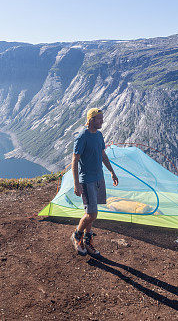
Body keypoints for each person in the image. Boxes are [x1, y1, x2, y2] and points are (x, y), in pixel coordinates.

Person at [70, 107, 118, 256]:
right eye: (99, 119)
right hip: (87, 180)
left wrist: (111, 172)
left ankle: (87, 240)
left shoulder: (99, 135)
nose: (102, 121)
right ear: (91, 120)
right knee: (92, 214)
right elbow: (74, 160)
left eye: (102, 118)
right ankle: (77, 235)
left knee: (91, 212)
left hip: (99, 179)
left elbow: (103, 155)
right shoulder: (82, 137)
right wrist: (76, 183)